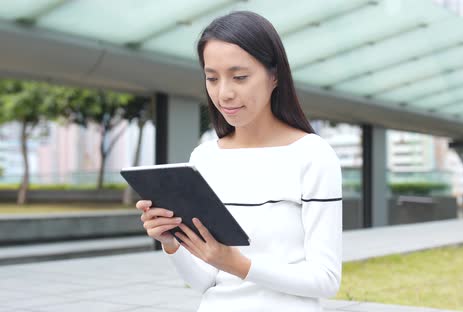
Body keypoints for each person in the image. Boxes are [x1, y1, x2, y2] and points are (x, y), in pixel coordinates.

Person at [135, 11, 342, 312]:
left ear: (274, 76)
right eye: (212, 78)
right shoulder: (204, 157)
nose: (224, 93)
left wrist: (239, 264)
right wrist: (172, 243)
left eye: (240, 77)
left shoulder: (312, 155)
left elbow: (326, 280)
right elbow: (205, 282)